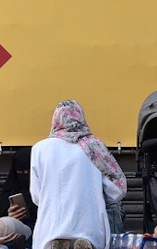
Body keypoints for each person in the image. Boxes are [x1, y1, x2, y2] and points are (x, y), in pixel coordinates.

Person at [47, 99, 127, 234]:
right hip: (95, 218)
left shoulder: (43, 149)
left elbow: (37, 194)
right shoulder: (94, 145)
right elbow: (119, 187)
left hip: (56, 219)